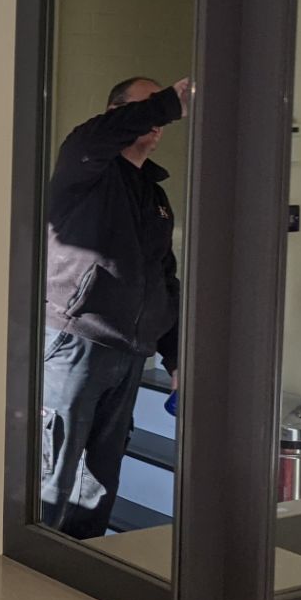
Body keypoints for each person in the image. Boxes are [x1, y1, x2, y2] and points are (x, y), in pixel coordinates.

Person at [40, 76, 190, 539]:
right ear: (115, 113)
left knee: (100, 479)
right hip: (76, 343)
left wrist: (177, 356)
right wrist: (170, 102)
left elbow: (163, 278)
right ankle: (29, 578)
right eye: (146, 109)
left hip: (129, 354)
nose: (158, 122)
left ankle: (83, 572)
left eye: (160, 113)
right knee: (53, 472)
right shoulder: (87, 167)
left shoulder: (154, 194)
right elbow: (96, 136)